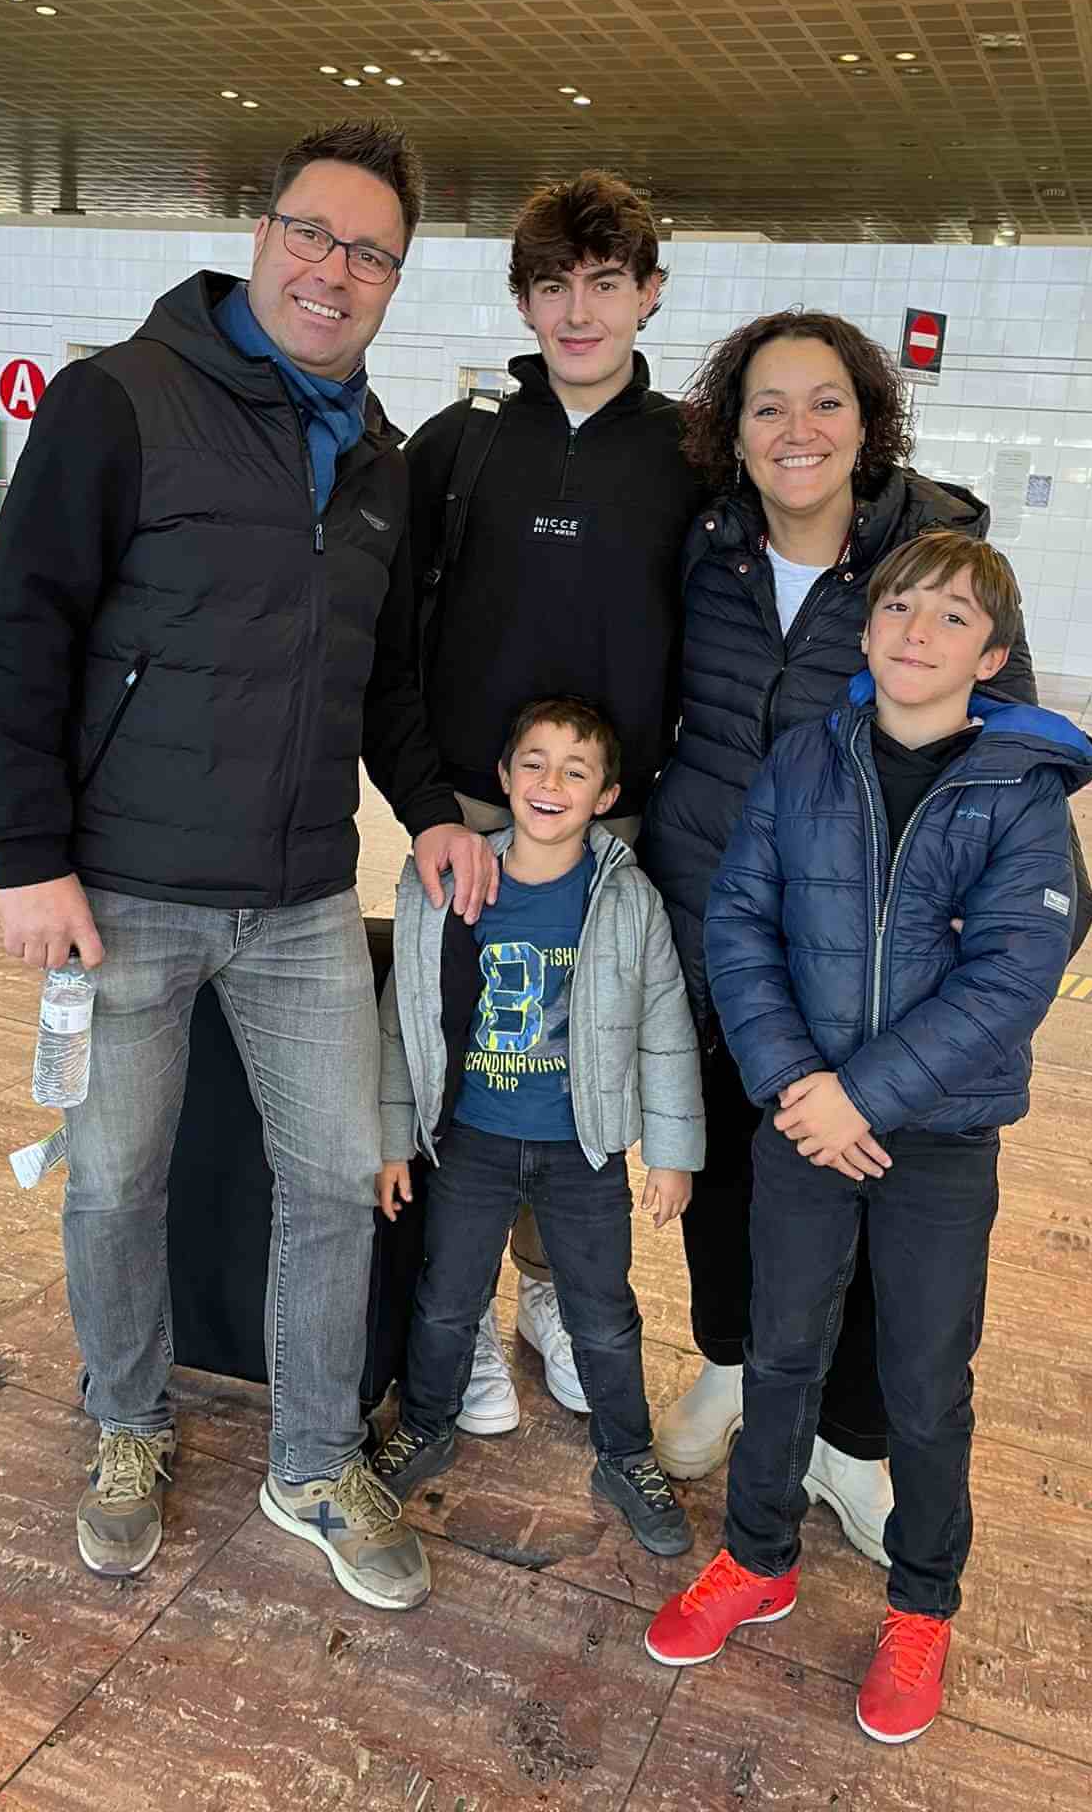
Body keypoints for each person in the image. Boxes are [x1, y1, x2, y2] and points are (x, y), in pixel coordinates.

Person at [0, 118, 494, 1610]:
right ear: (260, 236)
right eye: (313, 233)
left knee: (332, 1179)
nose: (335, 268)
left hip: (304, 897)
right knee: (114, 1182)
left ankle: (313, 1460)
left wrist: (432, 804)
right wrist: (30, 854)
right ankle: (128, 1424)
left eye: (370, 252)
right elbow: (20, 628)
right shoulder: (120, 400)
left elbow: (382, 677)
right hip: (123, 890)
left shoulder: (378, 458)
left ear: (394, 279)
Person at [645, 530, 1092, 1743]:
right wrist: (796, 1079)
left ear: (993, 657)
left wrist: (865, 1094)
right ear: (866, 626)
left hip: (938, 1137)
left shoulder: (1019, 788)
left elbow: (1011, 976)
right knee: (780, 1349)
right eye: (900, 605)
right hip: (803, 1118)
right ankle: (758, 1557)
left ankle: (922, 1602)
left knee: (924, 1380)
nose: (917, 630)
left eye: (953, 616)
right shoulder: (806, 757)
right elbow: (740, 920)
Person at [638, 308, 1079, 1562]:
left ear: (869, 419)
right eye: (767, 404)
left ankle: (850, 1437)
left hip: (887, 966)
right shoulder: (706, 550)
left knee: (881, 1199)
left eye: (826, 400)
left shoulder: (925, 561)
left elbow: (1006, 756)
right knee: (732, 1171)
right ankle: (736, 1364)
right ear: (732, 430)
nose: (799, 428)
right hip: (722, 923)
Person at [404, 171, 706, 1434]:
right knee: (458, 1061)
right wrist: (424, 804)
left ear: (649, 293)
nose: (578, 311)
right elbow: (387, 638)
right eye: (552, 286)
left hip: (613, 834)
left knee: (576, 1063)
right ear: (522, 301)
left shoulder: (692, 457)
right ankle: (462, 1313)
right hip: (468, 823)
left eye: (604, 283)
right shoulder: (459, 445)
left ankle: (546, 1293)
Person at [367, 697, 705, 1558]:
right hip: (471, 1142)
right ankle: (426, 1423)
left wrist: (672, 1155)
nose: (551, 783)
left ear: (606, 796)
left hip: (581, 1152)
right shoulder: (452, 888)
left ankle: (626, 1456)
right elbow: (405, 1021)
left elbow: (665, 1027)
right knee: (448, 1299)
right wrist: (393, 1139)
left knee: (605, 1314)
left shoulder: (625, 901)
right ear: (504, 777)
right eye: (534, 764)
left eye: (576, 771)